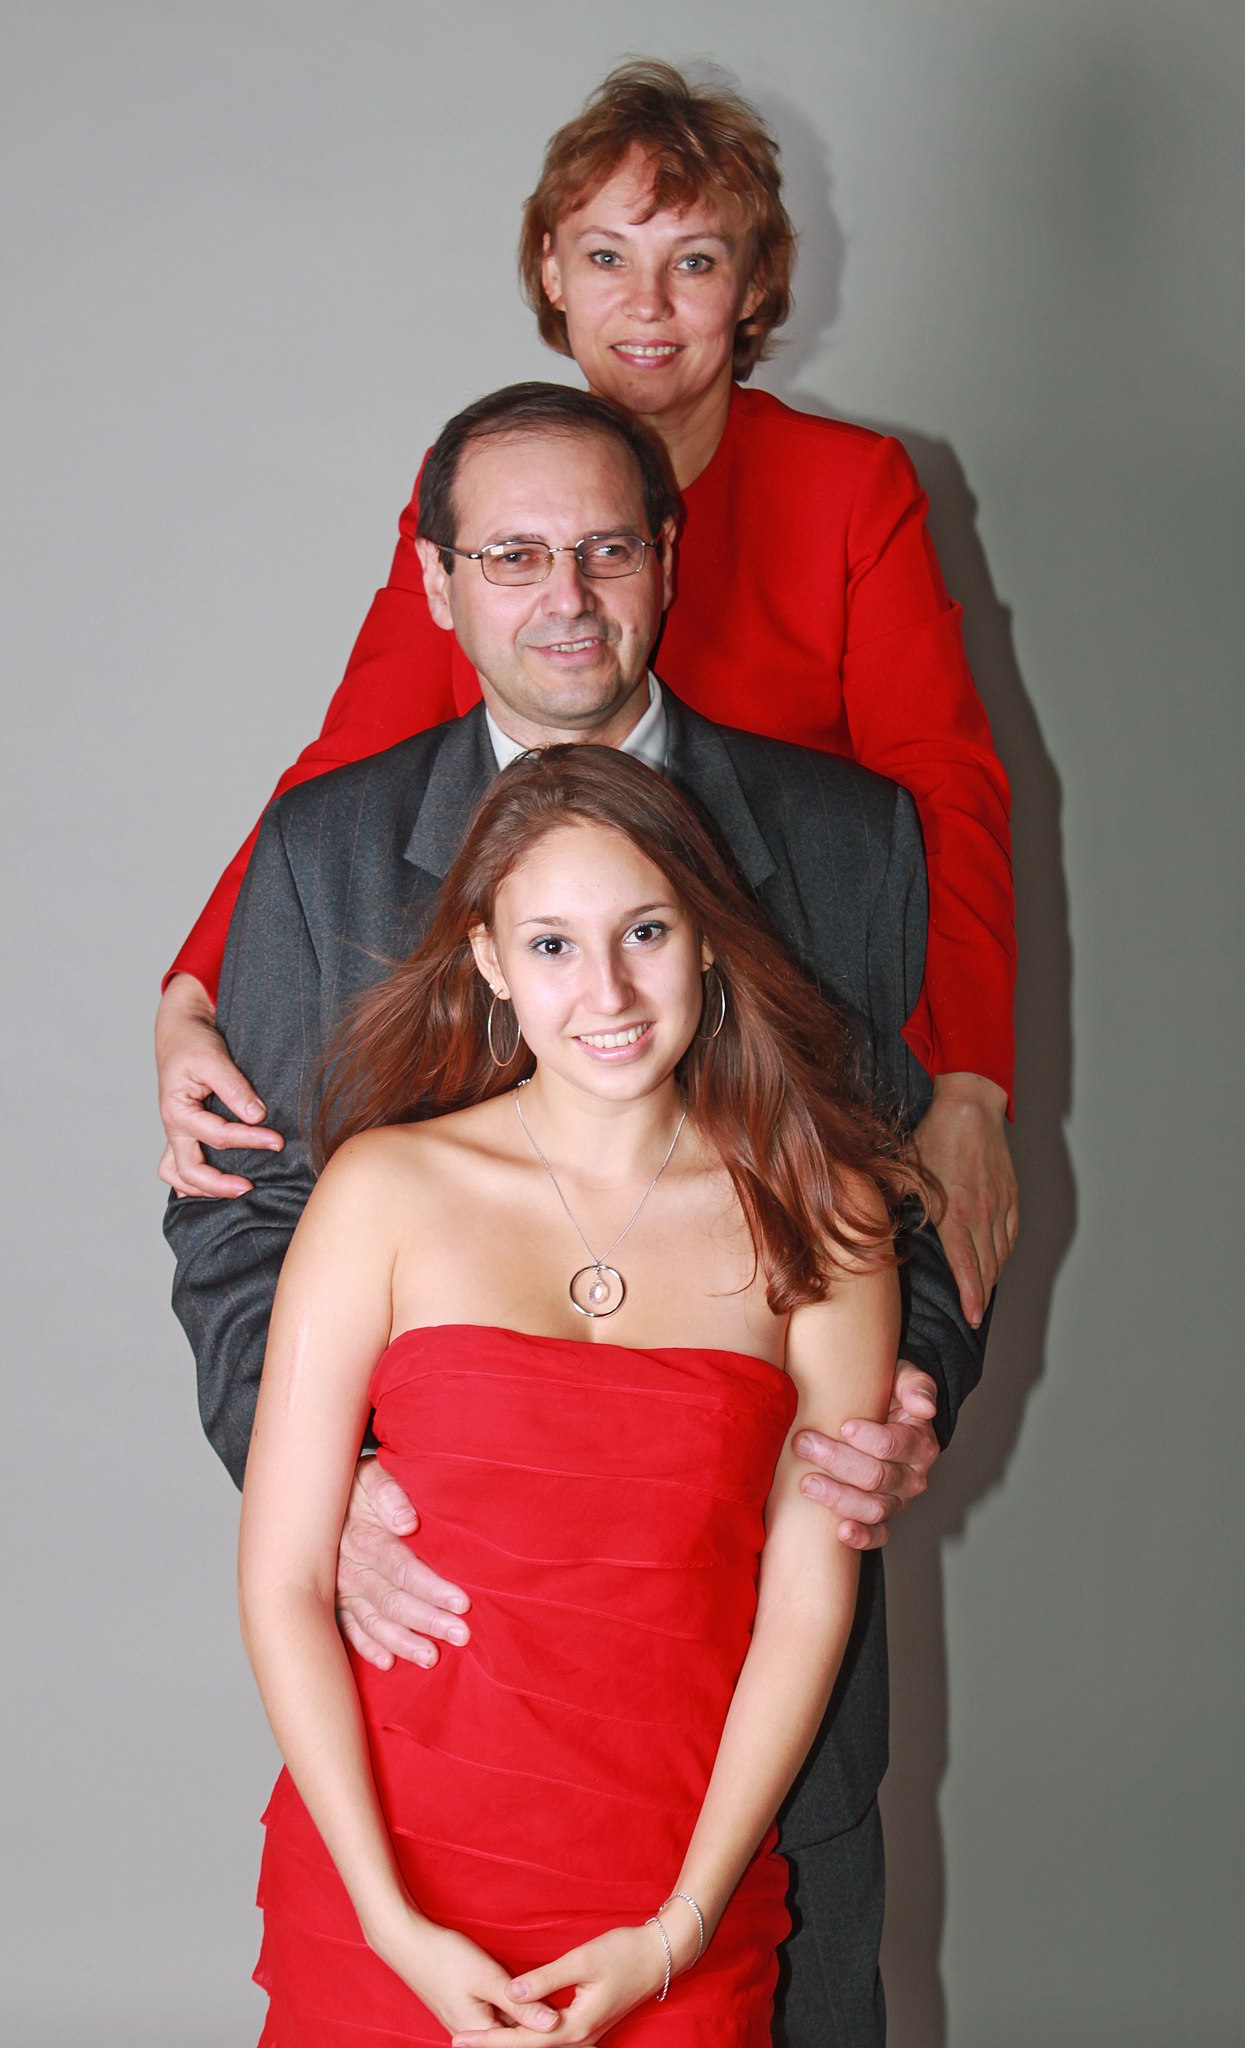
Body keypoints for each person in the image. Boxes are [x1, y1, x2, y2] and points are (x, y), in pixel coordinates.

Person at [166, 382, 989, 2044]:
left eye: (608, 550)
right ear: (439, 579)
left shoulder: (850, 842)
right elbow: (243, 1224)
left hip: (736, 1746)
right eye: (515, 555)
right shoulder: (322, 850)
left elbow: (910, 1197)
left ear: (668, 559)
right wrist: (329, 1485)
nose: (567, 595)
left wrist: (905, 1398)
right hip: (436, 1725)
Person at [155, 58, 1018, 1331]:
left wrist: (971, 1082)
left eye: (695, 261)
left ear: (756, 283)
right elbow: (349, 761)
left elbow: (943, 788)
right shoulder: (481, 487)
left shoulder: (851, 487)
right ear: (552, 276)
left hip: (770, 982)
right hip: (548, 1000)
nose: (647, 305)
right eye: (608, 257)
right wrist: (192, 990)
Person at [239, 739, 917, 2044]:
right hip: (390, 1884)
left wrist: (678, 1930)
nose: (606, 990)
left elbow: (806, 1600)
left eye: (645, 931)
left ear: (706, 938)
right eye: (551, 944)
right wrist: (389, 1920)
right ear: (490, 960)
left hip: (671, 1898)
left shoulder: (825, 1215)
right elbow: (281, 1580)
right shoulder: (381, 1191)